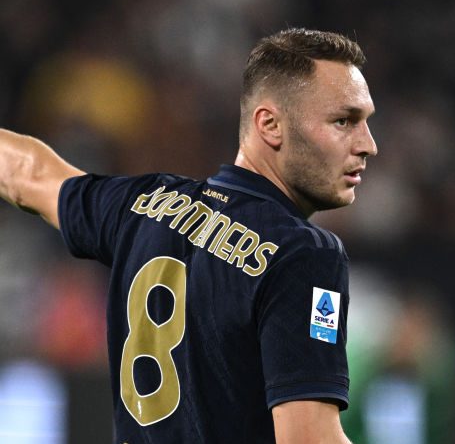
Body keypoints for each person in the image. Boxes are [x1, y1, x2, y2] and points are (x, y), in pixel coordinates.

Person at [0, 28, 377, 443]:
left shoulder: (143, 204)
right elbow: (309, 439)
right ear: (270, 125)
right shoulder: (303, 253)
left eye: (365, 122)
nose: (368, 144)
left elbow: (25, 173)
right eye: (344, 121)